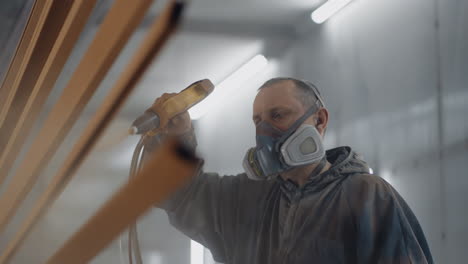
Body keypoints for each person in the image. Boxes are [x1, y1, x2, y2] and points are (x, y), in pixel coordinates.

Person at [155, 77, 434, 264]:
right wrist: (177, 140)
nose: (265, 132)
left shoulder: (367, 196)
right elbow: (181, 195)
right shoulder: (249, 198)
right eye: (257, 121)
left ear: (320, 120)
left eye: (278, 116)